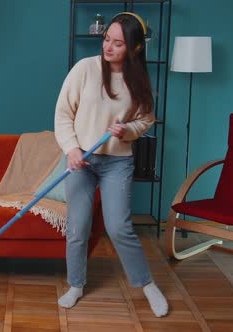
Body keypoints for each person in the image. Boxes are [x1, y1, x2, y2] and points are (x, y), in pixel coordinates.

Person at [54, 12, 168, 317]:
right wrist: (72, 148)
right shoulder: (85, 69)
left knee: (119, 227)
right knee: (78, 227)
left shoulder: (138, 80)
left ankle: (146, 284)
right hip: (82, 161)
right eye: (107, 39)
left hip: (117, 162)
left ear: (134, 49)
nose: (109, 47)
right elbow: (63, 113)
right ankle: (75, 285)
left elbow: (145, 119)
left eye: (118, 43)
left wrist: (126, 130)